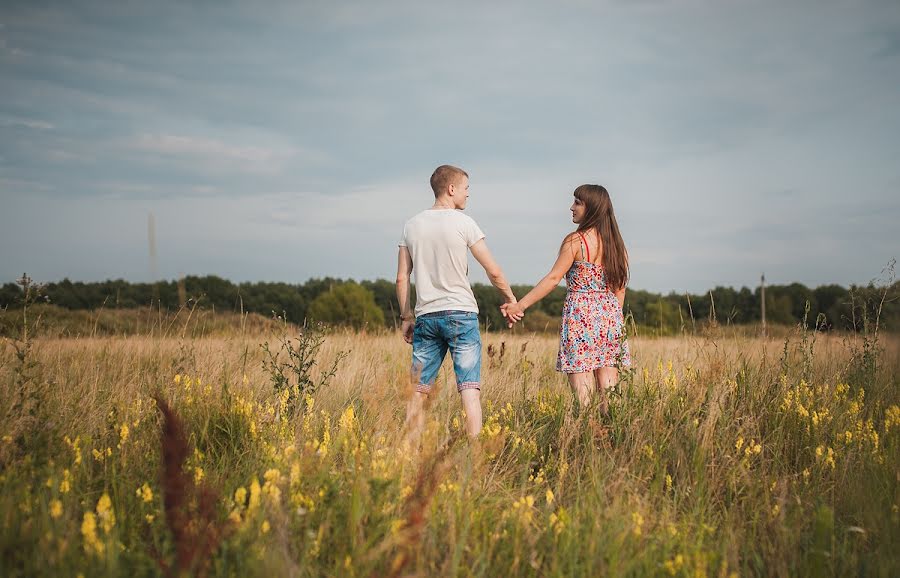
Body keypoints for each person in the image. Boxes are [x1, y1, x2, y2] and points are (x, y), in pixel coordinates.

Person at [396, 165, 517, 439]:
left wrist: (406, 316)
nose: (468, 195)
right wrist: (510, 299)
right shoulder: (464, 223)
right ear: (451, 189)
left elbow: (402, 278)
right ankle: (474, 455)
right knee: (469, 391)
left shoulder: (411, 226)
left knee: (418, 391)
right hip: (461, 315)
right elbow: (493, 270)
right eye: (466, 189)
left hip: (426, 317)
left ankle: (409, 454)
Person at [501, 184, 631, 415]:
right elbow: (620, 290)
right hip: (611, 319)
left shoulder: (575, 241)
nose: (572, 207)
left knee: (584, 395)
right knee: (609, 392)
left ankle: (587, 438)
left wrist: (520, 305)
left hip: (580, 317)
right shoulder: (617, 246)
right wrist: (612, 322)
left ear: (592, 208)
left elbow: (552, 279)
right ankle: (613, 437)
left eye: (577, 203)